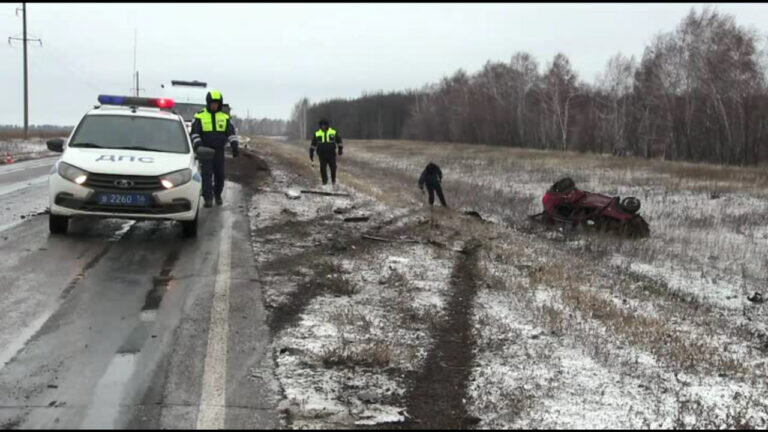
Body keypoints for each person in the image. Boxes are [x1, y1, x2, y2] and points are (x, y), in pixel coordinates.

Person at [190, 90, 239, 207]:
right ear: (208, 103)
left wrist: (235, 146)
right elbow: (195, 133)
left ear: (220, 104)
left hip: (219, 151)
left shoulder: (225, 117)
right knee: (206, 174)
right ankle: (208, 198)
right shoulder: (200, 116)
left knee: (220, 175)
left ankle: (217, 194)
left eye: (216, 103)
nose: (214, 105)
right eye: (212, 103)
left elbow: (231, 133)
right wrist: (198, 146)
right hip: (206, 151)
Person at [309, 119, 343, 186]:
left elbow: (339, 141)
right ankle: (324, 182)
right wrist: (311, 153)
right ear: (320, 126)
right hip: (322, 154)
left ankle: (333, 181)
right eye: (322, 125)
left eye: (325, 125)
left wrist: (340, 149)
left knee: (333, 167)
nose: (323, 126)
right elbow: (313, 144)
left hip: (331, 154)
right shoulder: (317, 133)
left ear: (327, 125)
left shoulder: (333, 132)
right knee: (323, 168)